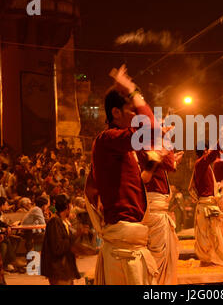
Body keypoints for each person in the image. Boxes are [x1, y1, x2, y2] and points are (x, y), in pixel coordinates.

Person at [85, 65, 158, 285]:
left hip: (129, 239)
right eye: (132, 111)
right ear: (115, 112)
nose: (136, 116)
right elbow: (150, 129)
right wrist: (134, 91)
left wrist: (153, 164)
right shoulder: (108, 139)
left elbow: (138, 182)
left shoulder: (118, 145)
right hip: (123, 245)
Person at [138, 148, 183, 284]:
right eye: (161, 126)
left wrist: (172, 160)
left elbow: (169, 166)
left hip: (156, 209)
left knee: (164, 254)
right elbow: (143, 178)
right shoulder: (147, 149)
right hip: (154, 211)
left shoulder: (151, 150)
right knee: (157, 257)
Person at [189, 143, 223, 267]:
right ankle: (205, 260)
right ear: (205, 150)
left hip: (208, 203)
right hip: (205, 204)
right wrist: (218, 142)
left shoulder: (203, 165)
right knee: (206, 234)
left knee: (212, 234)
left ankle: (209, 259)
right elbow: (212, 156)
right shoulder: (201, 163)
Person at [40, 194, 80, 285]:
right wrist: (76, 235)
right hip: (58, 270)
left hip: (65, 269)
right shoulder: (54, 222)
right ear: (67, 207)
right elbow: (57, 248)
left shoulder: (63, 222)